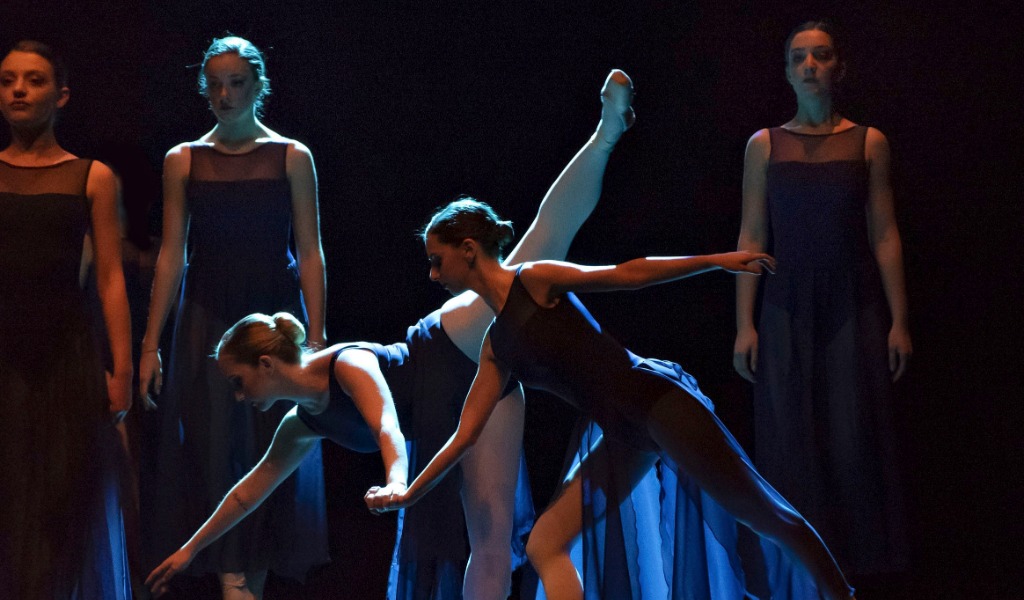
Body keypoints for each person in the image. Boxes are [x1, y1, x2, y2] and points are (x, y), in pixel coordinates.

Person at [147, 70, 637, 600]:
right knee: (489, 548)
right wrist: (189, 550)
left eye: (239, 383)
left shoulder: (346, 364)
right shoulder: (300, 424)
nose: (238, 396)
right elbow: (247, 494)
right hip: (476, 398)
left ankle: (606, 133)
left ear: (266, 365)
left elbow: (388, 428)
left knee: (542, 244)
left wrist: (398, 481)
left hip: (452, 350)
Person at [366, 199, 859, 600]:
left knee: (763, 513)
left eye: (437, 260)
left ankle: (844, 594)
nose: (433, 275)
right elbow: (465, 434)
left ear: (469, 249)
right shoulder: (496, 347)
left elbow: (628, 273)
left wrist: (716, 262)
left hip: (654, 399)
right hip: (622, 429)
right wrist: (408, 493)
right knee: (545, 543)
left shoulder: (534, 281)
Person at [138, 36, 328, 598]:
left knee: (273, 441)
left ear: (258, 85)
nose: (224, 94)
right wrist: (151, 343)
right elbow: (173, 254)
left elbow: (310, 249)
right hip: (207, 319)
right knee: (214, 445)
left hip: (272, 315)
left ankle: (253, 577)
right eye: (215, 84)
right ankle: (230, 576)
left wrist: (316, 337)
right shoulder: (184, 159)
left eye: (236, 83)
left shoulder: (292, 156)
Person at [733, 20, 910, 579]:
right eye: (799, 57)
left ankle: (857, 568)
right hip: (786, 303)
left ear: (839, 67)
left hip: (851, 302)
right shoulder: (764, 145)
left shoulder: (868, 142)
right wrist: (744, 322)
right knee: (789, 433)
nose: (810, 65)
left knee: (850, 434)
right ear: (786, 71)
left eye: (821, 55)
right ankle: (796, 573)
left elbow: (884, 233)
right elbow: (752, 237)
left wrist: (900, 320)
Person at [0, 40, 133, 599]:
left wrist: (122, 369)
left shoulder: (92, 177)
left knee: (58, 500)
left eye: (32, 80)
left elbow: (110, 278)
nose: (18, 90)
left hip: (64, 357)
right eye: (7, 80)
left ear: (61, 94)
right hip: (3, 354)